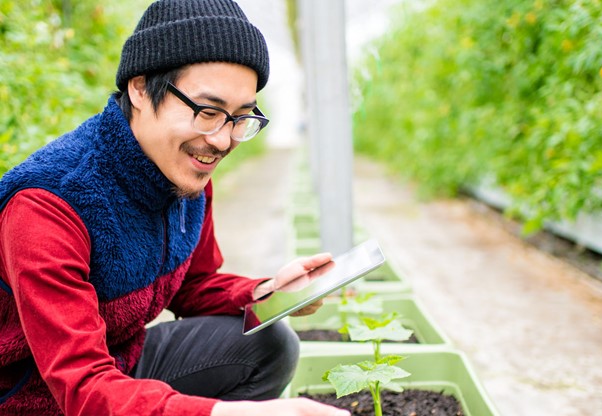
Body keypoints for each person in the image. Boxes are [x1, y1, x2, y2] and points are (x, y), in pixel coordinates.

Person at [0, 1, 349, 415]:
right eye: (208, 111)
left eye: (240, 117)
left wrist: (266, 292)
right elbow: (82, 385)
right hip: (35, 395)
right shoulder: (48, 206)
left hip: (120, 364)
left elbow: (193, 285)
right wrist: (227, 413)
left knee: (267, 343)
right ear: (141, 88)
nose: (222, 141)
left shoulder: (185, 174)